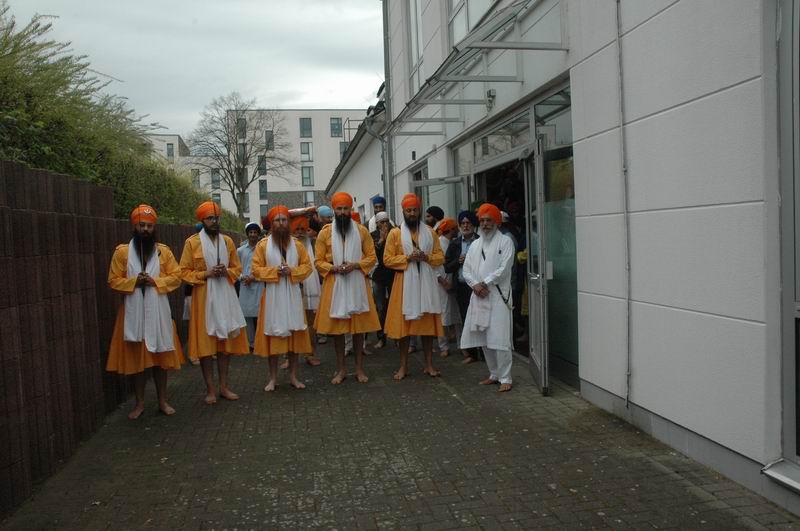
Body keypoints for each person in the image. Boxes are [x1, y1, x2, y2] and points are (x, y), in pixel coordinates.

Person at [106, 205, 184, 419]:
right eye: (142, 225)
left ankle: (162, 401)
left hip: (158, 312)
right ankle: (139, 403)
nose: (146, 230)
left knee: (160, 361)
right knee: (137, 361)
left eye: (149, 226)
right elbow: (113, 280)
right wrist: (134, 282)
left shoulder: (163, 251)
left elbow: (176, 277)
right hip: (133, 315)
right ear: (135, 226)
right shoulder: (122, 252)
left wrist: (154, 281)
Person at [180, 201, 249, 405]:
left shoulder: (227, 241)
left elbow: (237, 268)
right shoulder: (192, 243)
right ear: (202, 221)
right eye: (210, 218)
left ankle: (224, 387)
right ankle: (210, 389)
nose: (214, 221)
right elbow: (183, 272)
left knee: (224, 346)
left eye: (216, 218)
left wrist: (226, 271)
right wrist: (206, 273)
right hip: (203, 298)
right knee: (206, 346)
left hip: (225, 296)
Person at [313, 192, 381, 384]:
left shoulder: (362, 231)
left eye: (345, 209)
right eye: (339, 209)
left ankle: (359, 369)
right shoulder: (325, 233)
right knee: (337, 332)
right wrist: (333, 268)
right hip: (334, 284)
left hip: (357, 283)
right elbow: (318, 261)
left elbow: (372, 257)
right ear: (334, 210)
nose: (342, 212)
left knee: (358, 330)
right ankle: (341, 369)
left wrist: (356, 265)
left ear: (351, 210)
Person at [251, 206, 313, 391]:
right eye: (277, 220)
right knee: (273, 337)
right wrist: (275, 272)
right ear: (272, 224)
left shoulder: (298, 245)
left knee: (294, 337)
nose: (281, 223)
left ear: (288, 222)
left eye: (284, 220)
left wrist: (292, 271)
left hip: (293, 296)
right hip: (272, 297)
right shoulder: (263, 245)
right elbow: (255, 270)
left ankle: (293, 376)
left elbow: (307, 267)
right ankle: (273, 378)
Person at [383, 193, 445, 379]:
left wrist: (427, 257)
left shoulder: (430, 232)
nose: (412, 213)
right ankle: (403, 367)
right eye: (408, 210)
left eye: (415, 210)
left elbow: (440, 257)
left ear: (419, 211)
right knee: (404, 330)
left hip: (426, 285)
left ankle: (429, 365)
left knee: (427, 328)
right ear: (403, 211)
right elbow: (387, 260)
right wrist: (407, 258)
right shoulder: (395, 233)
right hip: (403, 285)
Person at [460, 204, 516, 393]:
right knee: (484, 337)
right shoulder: (475, 245)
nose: (485, 224)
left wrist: (484, 283)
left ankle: (506, 377)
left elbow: (504, 268)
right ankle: (494, 374)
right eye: (482, 220)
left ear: (497, 222)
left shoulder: (506, 242)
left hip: (498, 296)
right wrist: (475, 285)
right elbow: (466, 269)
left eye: (489, 220)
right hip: (479, 296)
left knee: (500, 338)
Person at [444, 210, 481, 363]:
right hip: (462, 287)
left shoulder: (480, 241)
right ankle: (471, 354)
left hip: (478, 288)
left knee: (481, 319)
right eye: (463, 223)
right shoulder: (455, 244)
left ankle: (484, 352)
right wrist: (458, 261)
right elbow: (447, 267)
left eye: (468, 223)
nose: (465, 226)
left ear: (474, 225)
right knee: (466, 319)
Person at [290, 214, 322, 366]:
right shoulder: (286, 246)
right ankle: (289, 357)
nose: (300, 232)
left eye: (303, 229)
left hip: (311, 288)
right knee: (291, 322)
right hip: (292, 287)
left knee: (310, 323)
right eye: (296, 229)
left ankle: (310, 354)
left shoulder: (314, 245)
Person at [434, 218, 462, 358]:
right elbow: (433, 265)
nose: (458, 230)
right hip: (441, 285)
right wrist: (443, 282)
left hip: (454, 283)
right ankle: (443, 346)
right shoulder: (438, 243)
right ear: (451, 230)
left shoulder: (454, 243)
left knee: (457, 315)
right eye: (456, 228)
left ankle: (462, 346)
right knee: (443, 316)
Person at [237, 222, 264, 351]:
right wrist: (243, 277)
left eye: (255, 232)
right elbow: (235, 268)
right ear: (247, 234)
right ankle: (251, 342)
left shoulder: (263, 249)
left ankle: (261, 341)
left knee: (260, 313)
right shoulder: (240, 251)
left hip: (259, 284)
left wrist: (254, 277)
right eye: (251, 232)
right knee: (246, 314)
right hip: (244, 286)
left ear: (258, 234)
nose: (253, 235)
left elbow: (265, 267)